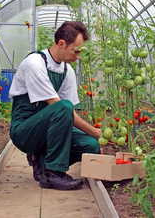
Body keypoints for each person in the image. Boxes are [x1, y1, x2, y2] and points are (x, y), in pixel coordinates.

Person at [9, 21, 102, 191]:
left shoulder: (67, 71)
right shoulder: (35, 64)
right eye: (76, 50)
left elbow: (69, 114)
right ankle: (53, 173)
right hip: (24, 131)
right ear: (61, 43)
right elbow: (60, 107)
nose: (79, 56)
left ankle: (42, 161)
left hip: (48, 129)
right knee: (63, 107)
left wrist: (94, 137)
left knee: (91, 146)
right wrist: (94, 131)